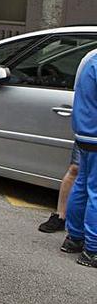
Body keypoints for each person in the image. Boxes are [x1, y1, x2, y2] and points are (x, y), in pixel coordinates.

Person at [62, 46, 97, 267]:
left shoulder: (90, 57)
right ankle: (93, 249)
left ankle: (74, 237)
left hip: (85, 133)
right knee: (94, 189)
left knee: (83, 183)